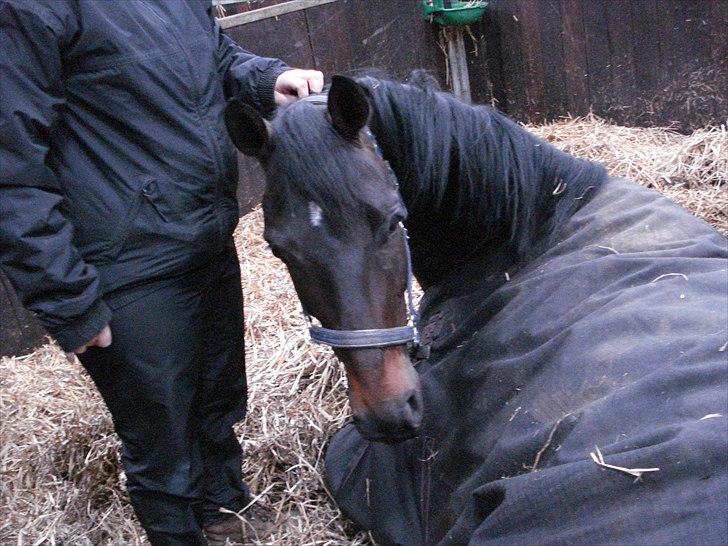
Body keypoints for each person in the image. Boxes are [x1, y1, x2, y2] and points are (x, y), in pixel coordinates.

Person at [0, 1, 323, 544]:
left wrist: (269, 79)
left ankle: (224, 509)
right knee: (161, 434)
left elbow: (215, 59)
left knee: (216, 401)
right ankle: (177, 531)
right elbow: (10, 162)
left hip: (201, 232)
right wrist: (67, 298)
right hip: (127, 261)